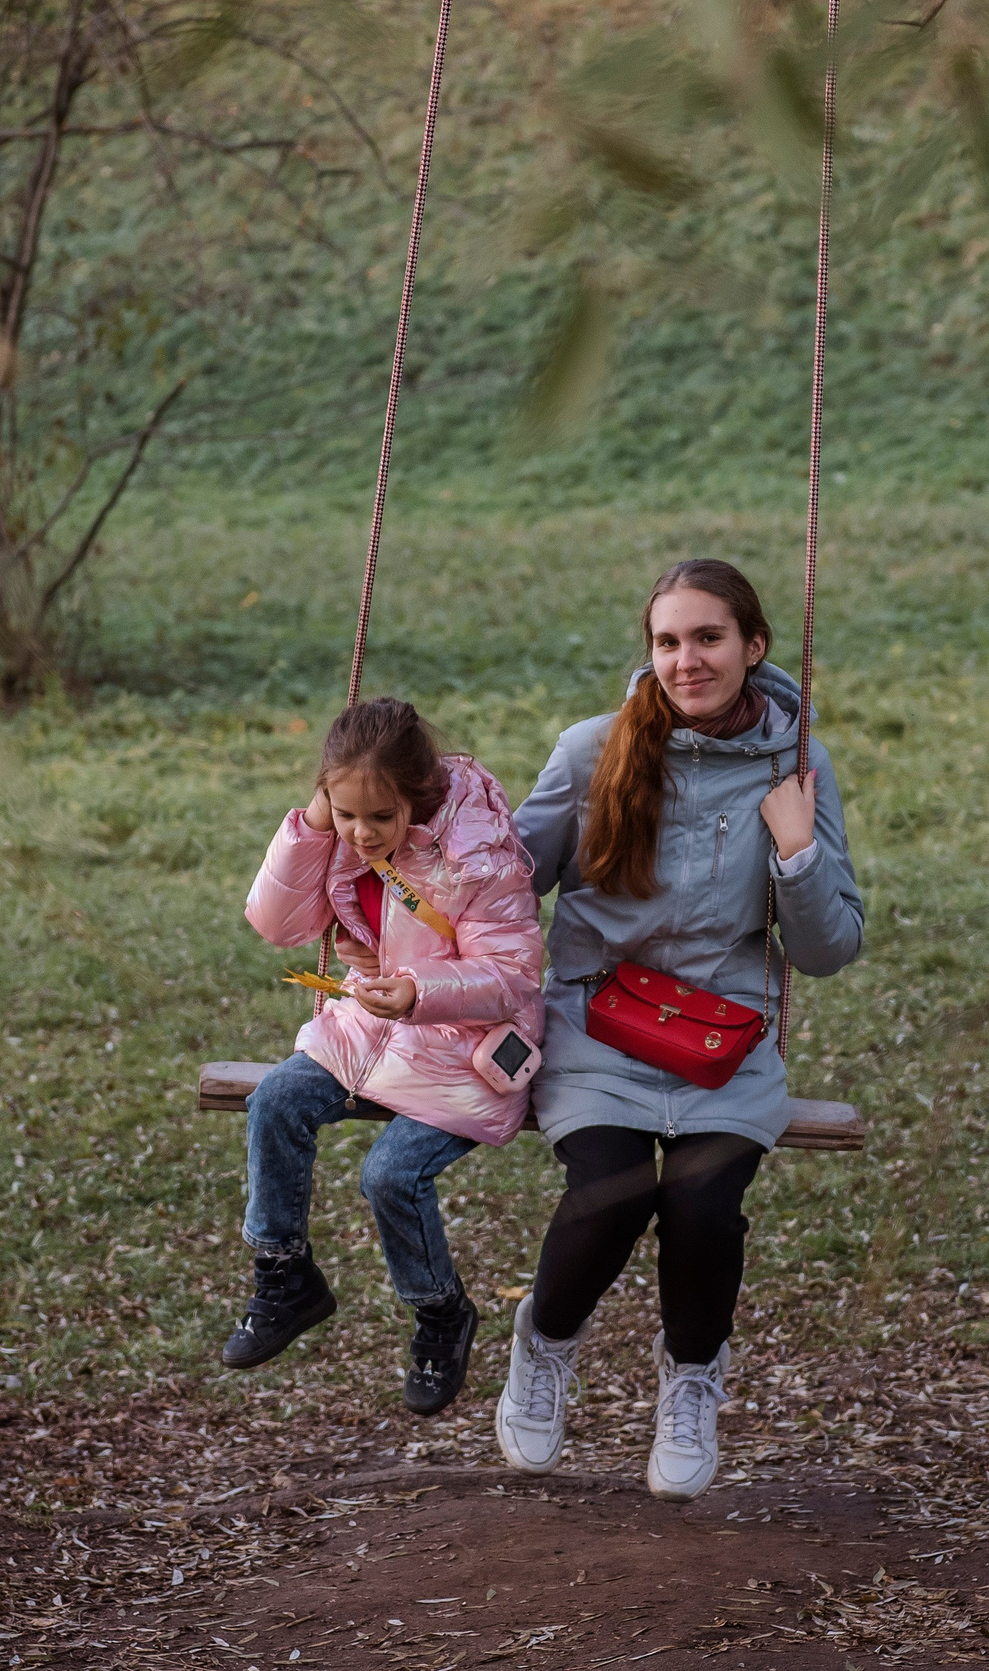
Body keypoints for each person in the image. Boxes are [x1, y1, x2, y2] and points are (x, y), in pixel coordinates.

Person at [499, 559, 864, 1501]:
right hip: (599, 1022)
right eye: (667, 641)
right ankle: (545, 1343)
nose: (686, 660)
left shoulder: (798, 765)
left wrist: (796, 848)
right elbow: (498, 887)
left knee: (703, 1209)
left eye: (708, 638)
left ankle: (691, 1381)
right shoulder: (592, 751)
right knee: (615, 1191)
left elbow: (830, 950)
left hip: (726, 1038)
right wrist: (371, 852)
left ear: (754, 647)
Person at [223, 698, 544, 1415]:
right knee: (276, 1098)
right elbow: (274, 924)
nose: (362, 835)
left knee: (390, 1174)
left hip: (467, 1048)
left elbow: (515, 976)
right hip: (372, 1028)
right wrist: (313, 826)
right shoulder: (339, 831)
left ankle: (440, 1314)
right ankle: (284, 1275)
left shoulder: (478, 856)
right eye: (346, 815)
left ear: (420, 800)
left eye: (380, 818)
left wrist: (419, 992)